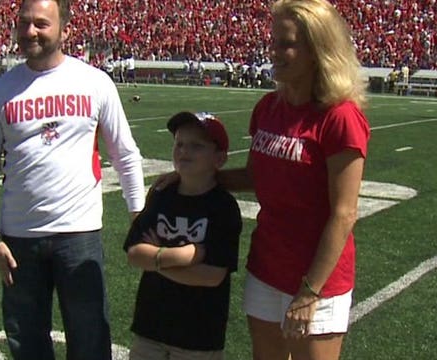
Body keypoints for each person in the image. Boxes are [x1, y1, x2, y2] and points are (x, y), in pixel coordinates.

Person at [156, 1, 370, 359]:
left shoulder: (340, 117)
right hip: (267, 266)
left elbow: (344, 213)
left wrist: (310, 290)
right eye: (273, 42)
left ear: (318, 49)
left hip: (317, 279)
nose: (274, 52)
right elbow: (257, 176)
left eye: (286, 44)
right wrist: (190, 180)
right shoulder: (268, 107)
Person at [0, 1, 146, 359]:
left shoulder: (94, 82)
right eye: (24, 23)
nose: (30, 31)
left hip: (79, 235)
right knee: (28, 344)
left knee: (90, 342)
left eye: (41, 23)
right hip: (19, 240)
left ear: (65, 29)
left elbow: (125, 155)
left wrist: (137, 216)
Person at [124, 111, 242, 360]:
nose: (184, 151)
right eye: (179, 143)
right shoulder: (161, 194)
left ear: (219, 159)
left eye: (196, 146)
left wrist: (155, 260)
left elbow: (211, 276)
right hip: (150, 327)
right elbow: (134, 253)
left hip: (198, 335)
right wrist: (183, 255)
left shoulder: (223, 207)